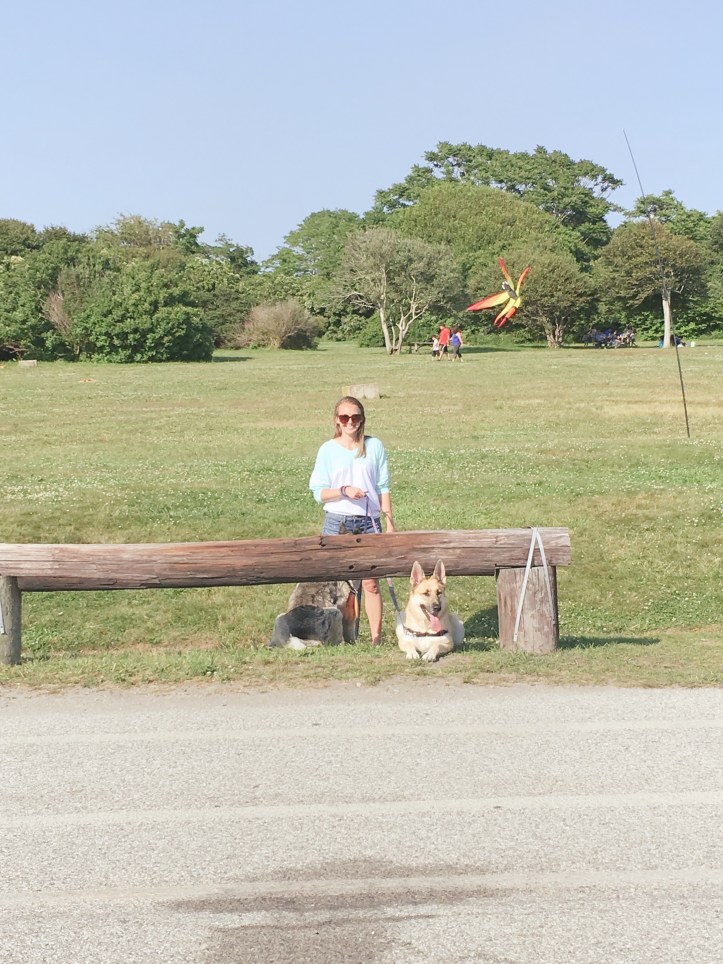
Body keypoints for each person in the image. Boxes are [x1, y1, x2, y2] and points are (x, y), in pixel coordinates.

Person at [309, 397, 395, 646]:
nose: (350, 422)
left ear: (362, 419)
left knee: (371, 583)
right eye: (344, 417)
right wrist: (344, 490)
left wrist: (389, 523)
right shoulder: (327, 450)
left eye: (355, 417)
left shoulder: (374, 446)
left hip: (369, 522)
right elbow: (318, 492)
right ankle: (345, 639)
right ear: (337, 420)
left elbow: (383, 486)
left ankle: (376, 640)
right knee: (341, 585)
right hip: (337, 521)